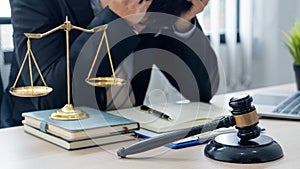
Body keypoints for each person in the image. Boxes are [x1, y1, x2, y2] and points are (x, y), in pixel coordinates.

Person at [1, 0, 219, 128]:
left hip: (124, 134)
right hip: (38, 136)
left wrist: (184, 25)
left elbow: (202, 90)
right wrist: (116, 19)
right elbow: (51, 97)